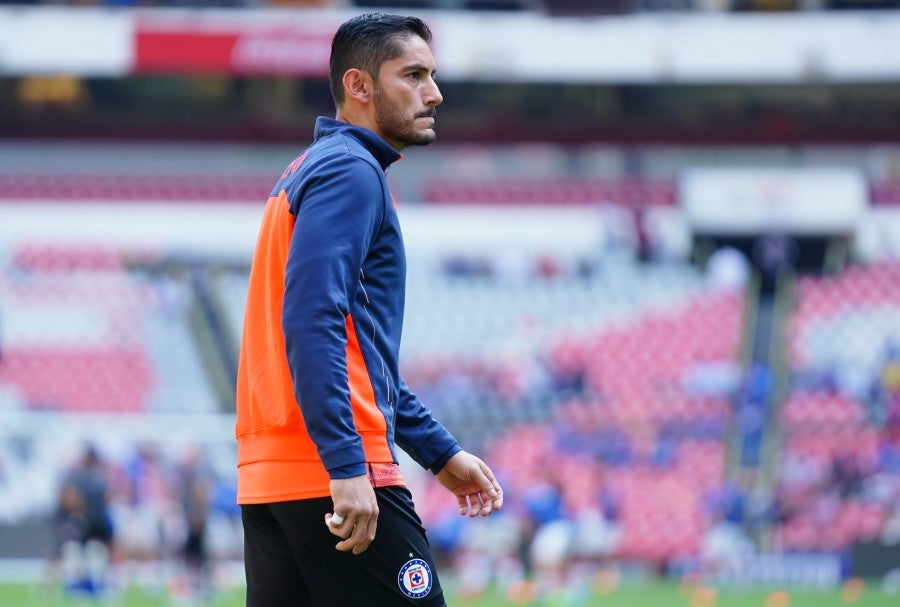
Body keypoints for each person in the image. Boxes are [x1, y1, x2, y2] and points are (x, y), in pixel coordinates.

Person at [234, 12, 504, 607]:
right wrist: (346, 464)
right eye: (413, 75)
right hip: (333, 476)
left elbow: (359, 351)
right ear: (359, 85)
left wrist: (440, 453)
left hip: (274, 478)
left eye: (432, 75)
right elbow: (312, 321)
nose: (434, 93)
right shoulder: (351, 172)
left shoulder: (312, 168)